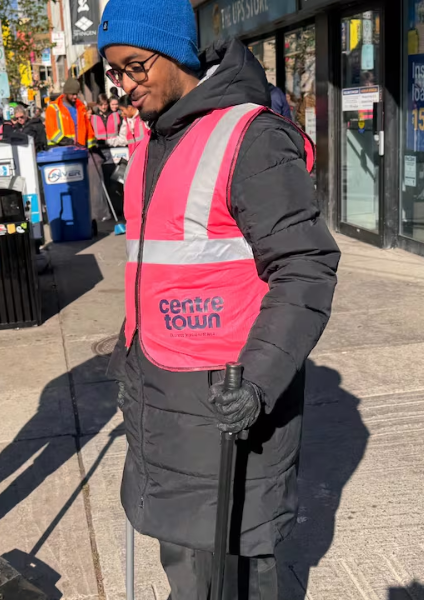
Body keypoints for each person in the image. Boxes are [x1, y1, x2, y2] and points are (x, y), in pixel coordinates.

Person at [98, 0, 341, 597]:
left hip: (228, 406)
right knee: (186, 567)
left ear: (175, 51)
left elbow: (305, 267)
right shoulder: (154, 140)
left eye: (135, 66)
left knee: (236, 574)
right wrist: (130, 347)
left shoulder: (251, 138)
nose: (124, 85)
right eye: (115, 72)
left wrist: (257, 382)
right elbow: (162, 269)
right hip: (162, 398)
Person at [44, 79, 96, 148]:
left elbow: (88, 129)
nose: (75, 96)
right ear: (66, 93)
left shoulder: (81, 108)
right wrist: (70, 142)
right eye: (73, 94)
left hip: (79, 149)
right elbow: (52, 132)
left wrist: (92, 146)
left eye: (76, 94)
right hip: (60, 149)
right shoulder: (53, 109)